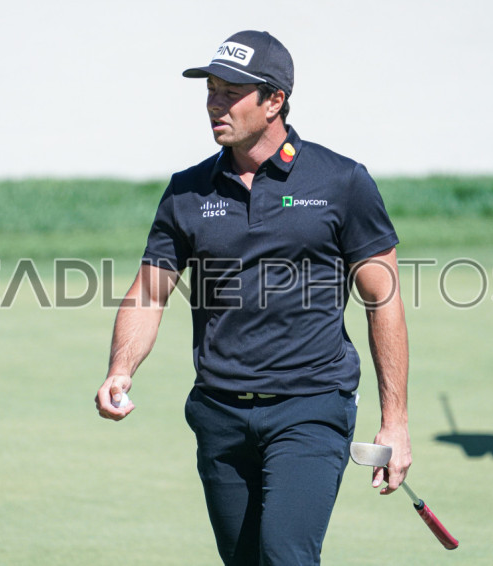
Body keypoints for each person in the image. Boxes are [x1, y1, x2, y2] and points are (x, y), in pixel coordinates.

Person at [95, 30, 412, 564]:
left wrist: (395, 422)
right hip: (219, 413)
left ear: (274, 101)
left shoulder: (341, 181)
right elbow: (150, 290)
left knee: (286, 556)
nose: (214, 104)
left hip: (311, 406)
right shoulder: (187, 190)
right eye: (211, 91)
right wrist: (120, 368)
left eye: (230, 92)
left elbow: (384, 300)